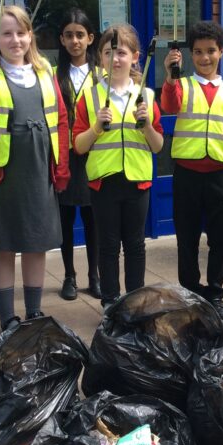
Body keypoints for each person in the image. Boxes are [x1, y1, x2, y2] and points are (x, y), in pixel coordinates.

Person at [0, 5, 70, 328]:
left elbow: (61, 119)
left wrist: (61, 166)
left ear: (30, 36)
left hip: (39, 168)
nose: (15, 40)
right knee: (4, 245)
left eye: (21, 32)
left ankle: (34, 311)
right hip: (3, 173)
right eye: (6, 34)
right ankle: (7, 316)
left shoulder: (44, 70)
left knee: (36, 243)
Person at [73, 24, 164, 308]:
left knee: (135, 245)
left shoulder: (146, 96)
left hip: (137, 182)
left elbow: (158, 145)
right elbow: (79, 145)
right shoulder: (89, 97)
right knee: (108, 246)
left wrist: (147, 124)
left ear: (135, 57)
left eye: (121, 52)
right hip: (104, 182)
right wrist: (96, 127)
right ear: (99, 57)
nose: (115, 59)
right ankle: (111, 302)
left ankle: (135, 302)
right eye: (108, 52)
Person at [161, 20, 223, 321]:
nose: (204, 57)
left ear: (221, 51)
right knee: (187, 237)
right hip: (187, 175)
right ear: (190, 54)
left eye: (211, 51)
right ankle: (190, 291)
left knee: (220, 239)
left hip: (220, 177)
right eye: (197, 52)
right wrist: (170, 76)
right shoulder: (181, 84)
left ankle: (215, 293)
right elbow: (169, 105)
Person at [55, 9, 102, 301]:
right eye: (69, 35)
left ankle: (93, 275)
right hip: (64, 156)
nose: (75, 41)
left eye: (80, 35)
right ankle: (69, 276)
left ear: (90, 38)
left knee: (92, 219)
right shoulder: (52, 76)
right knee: (65, 221)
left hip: (93, 153)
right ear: (62, 39)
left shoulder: (102, 75)